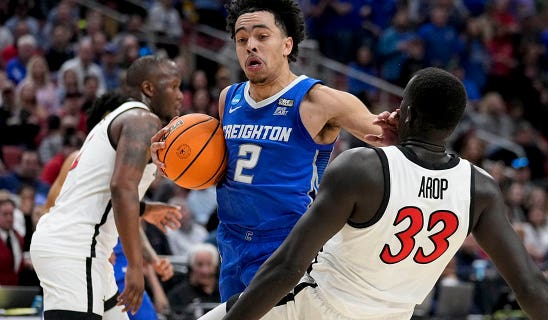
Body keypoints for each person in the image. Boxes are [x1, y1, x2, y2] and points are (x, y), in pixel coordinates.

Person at [199, 68, 548, 320]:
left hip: (315, 307)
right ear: (454, 125)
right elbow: (530, 285)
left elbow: (287, 266)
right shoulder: (481, 187)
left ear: (404, 110)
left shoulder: (362, 167)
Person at [150, 0, 398, 301]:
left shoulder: (319, 100)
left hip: (287, 245)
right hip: (231, 241)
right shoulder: (229, 98)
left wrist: (396, 125)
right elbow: (212, 165)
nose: (250, 46)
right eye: (242, 40)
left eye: (262, 36)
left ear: (287, 44)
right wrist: (170, 158)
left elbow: (383, 134)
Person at [30, 55, 184, 319]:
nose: (180, 96)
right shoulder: (143, 120)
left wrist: (144, 208)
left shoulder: (119, 119)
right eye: (173, 86)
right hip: (75, 249)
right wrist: (136, 266)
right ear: (148, 88)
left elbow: (98, 191)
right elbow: (121, 188)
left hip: (86, 251)